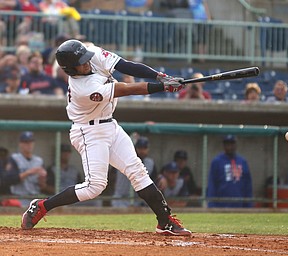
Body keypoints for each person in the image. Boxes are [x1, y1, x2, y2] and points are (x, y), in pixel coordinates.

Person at [21, 39, 191, 236]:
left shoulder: (91, 54)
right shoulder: (82, 88)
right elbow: (125, 89)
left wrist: (160, 77)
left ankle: (165, 221)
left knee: (138, 171)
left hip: (110, 124)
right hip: (88, 132)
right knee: (95, 186)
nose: (87, 63)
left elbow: (125, 66)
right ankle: (42, 206)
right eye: (81, 63)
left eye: (86, 59)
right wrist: (163, 87)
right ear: (70, 70)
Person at [207, 135, 253, 208]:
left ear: (235, 145)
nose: (229, 147)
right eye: (227, 144)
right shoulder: (217, 161)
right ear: (224, 145)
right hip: (221, 205)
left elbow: (248, 185)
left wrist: (249, 205)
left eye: (232, 144)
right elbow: (212, 184)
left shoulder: (242, 161)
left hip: (240, 205)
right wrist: (211, 205)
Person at [112, 136, 158, 207]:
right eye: (140, 148)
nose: (142, 151)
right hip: (120, 199)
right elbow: (111, 177)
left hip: (139, 200)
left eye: (144, 148)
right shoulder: (122, 159)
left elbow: (154, 181)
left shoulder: (150, 163)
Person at [6, 131, 49, 207]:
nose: (29, 145)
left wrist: (42, 180)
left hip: (35, 197)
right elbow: (10, 180)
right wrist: (29, 172)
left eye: (30, 142)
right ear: (20, 144)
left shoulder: (39, 161)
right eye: (26, 142)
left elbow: (43, 186)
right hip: (19, 197)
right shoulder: (14, 158)